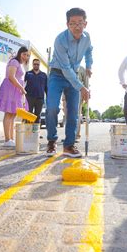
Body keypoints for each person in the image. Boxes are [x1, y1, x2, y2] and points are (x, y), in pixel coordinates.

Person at [45, 8, 93, 158]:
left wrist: (89, 65)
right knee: (52, 107)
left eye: (80, 23)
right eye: (72, 23)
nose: (76, 26)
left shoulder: (87, 37)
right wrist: (81, 87)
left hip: (75, 75)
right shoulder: (60, 40)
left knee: (73, 113)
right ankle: (52, 140)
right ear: (67, 25)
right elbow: (65, 68)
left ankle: (69, 146)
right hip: (57, 74)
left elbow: (89, 51)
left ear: (85, 23)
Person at [0, 47, 30, 147]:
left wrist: (20, 88)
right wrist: (21, 88)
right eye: (24, 54)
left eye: (27, 55)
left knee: (13, 115)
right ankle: (7, 139)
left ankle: (11, 138)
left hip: (16, 90)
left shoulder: (20, 64)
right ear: (19, 53)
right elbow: (11, 76)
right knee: (9, 114)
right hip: (11, 88)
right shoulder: (14, 61)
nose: (25, 57)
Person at [24, 58, 47, 123]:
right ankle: (28, 131)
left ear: (39, 65)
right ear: (32, 64)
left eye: (37, 64)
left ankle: (35, 132)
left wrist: (48, 97)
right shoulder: (28, 74)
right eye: (35, 64)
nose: (36, 65)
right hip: (29, 97)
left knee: (37, 115)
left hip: (40, 98)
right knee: (28, 115)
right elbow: (23, 84)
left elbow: (46, 87)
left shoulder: (44, 75)